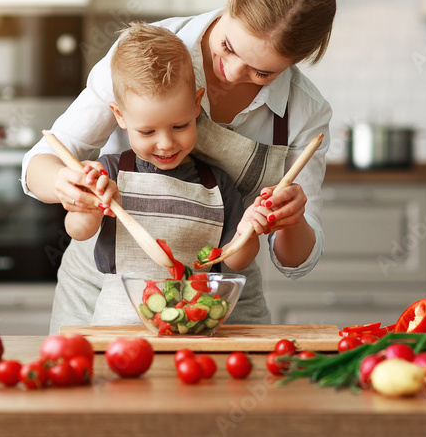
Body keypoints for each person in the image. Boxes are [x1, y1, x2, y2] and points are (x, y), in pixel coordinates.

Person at [22, 0, 337, 333]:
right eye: (230, 47)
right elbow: (42, 160)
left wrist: (292, 219)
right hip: (106, 293)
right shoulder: (142, 55)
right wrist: (65, 185)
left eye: (263, 72)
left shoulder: (305, 111)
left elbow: (296, 262)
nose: (234, 73)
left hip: (220, 301)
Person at [61, 22, 271, 325]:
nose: (166, 143)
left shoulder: (216, 184)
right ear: (120, 116)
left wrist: (248, 231)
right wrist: (90, 203)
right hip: (117, 329)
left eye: (180, 126)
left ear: (197, 105)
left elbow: (236, 260)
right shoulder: (110, 172)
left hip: (193, 324)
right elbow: (78, 230)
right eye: (147, 131)